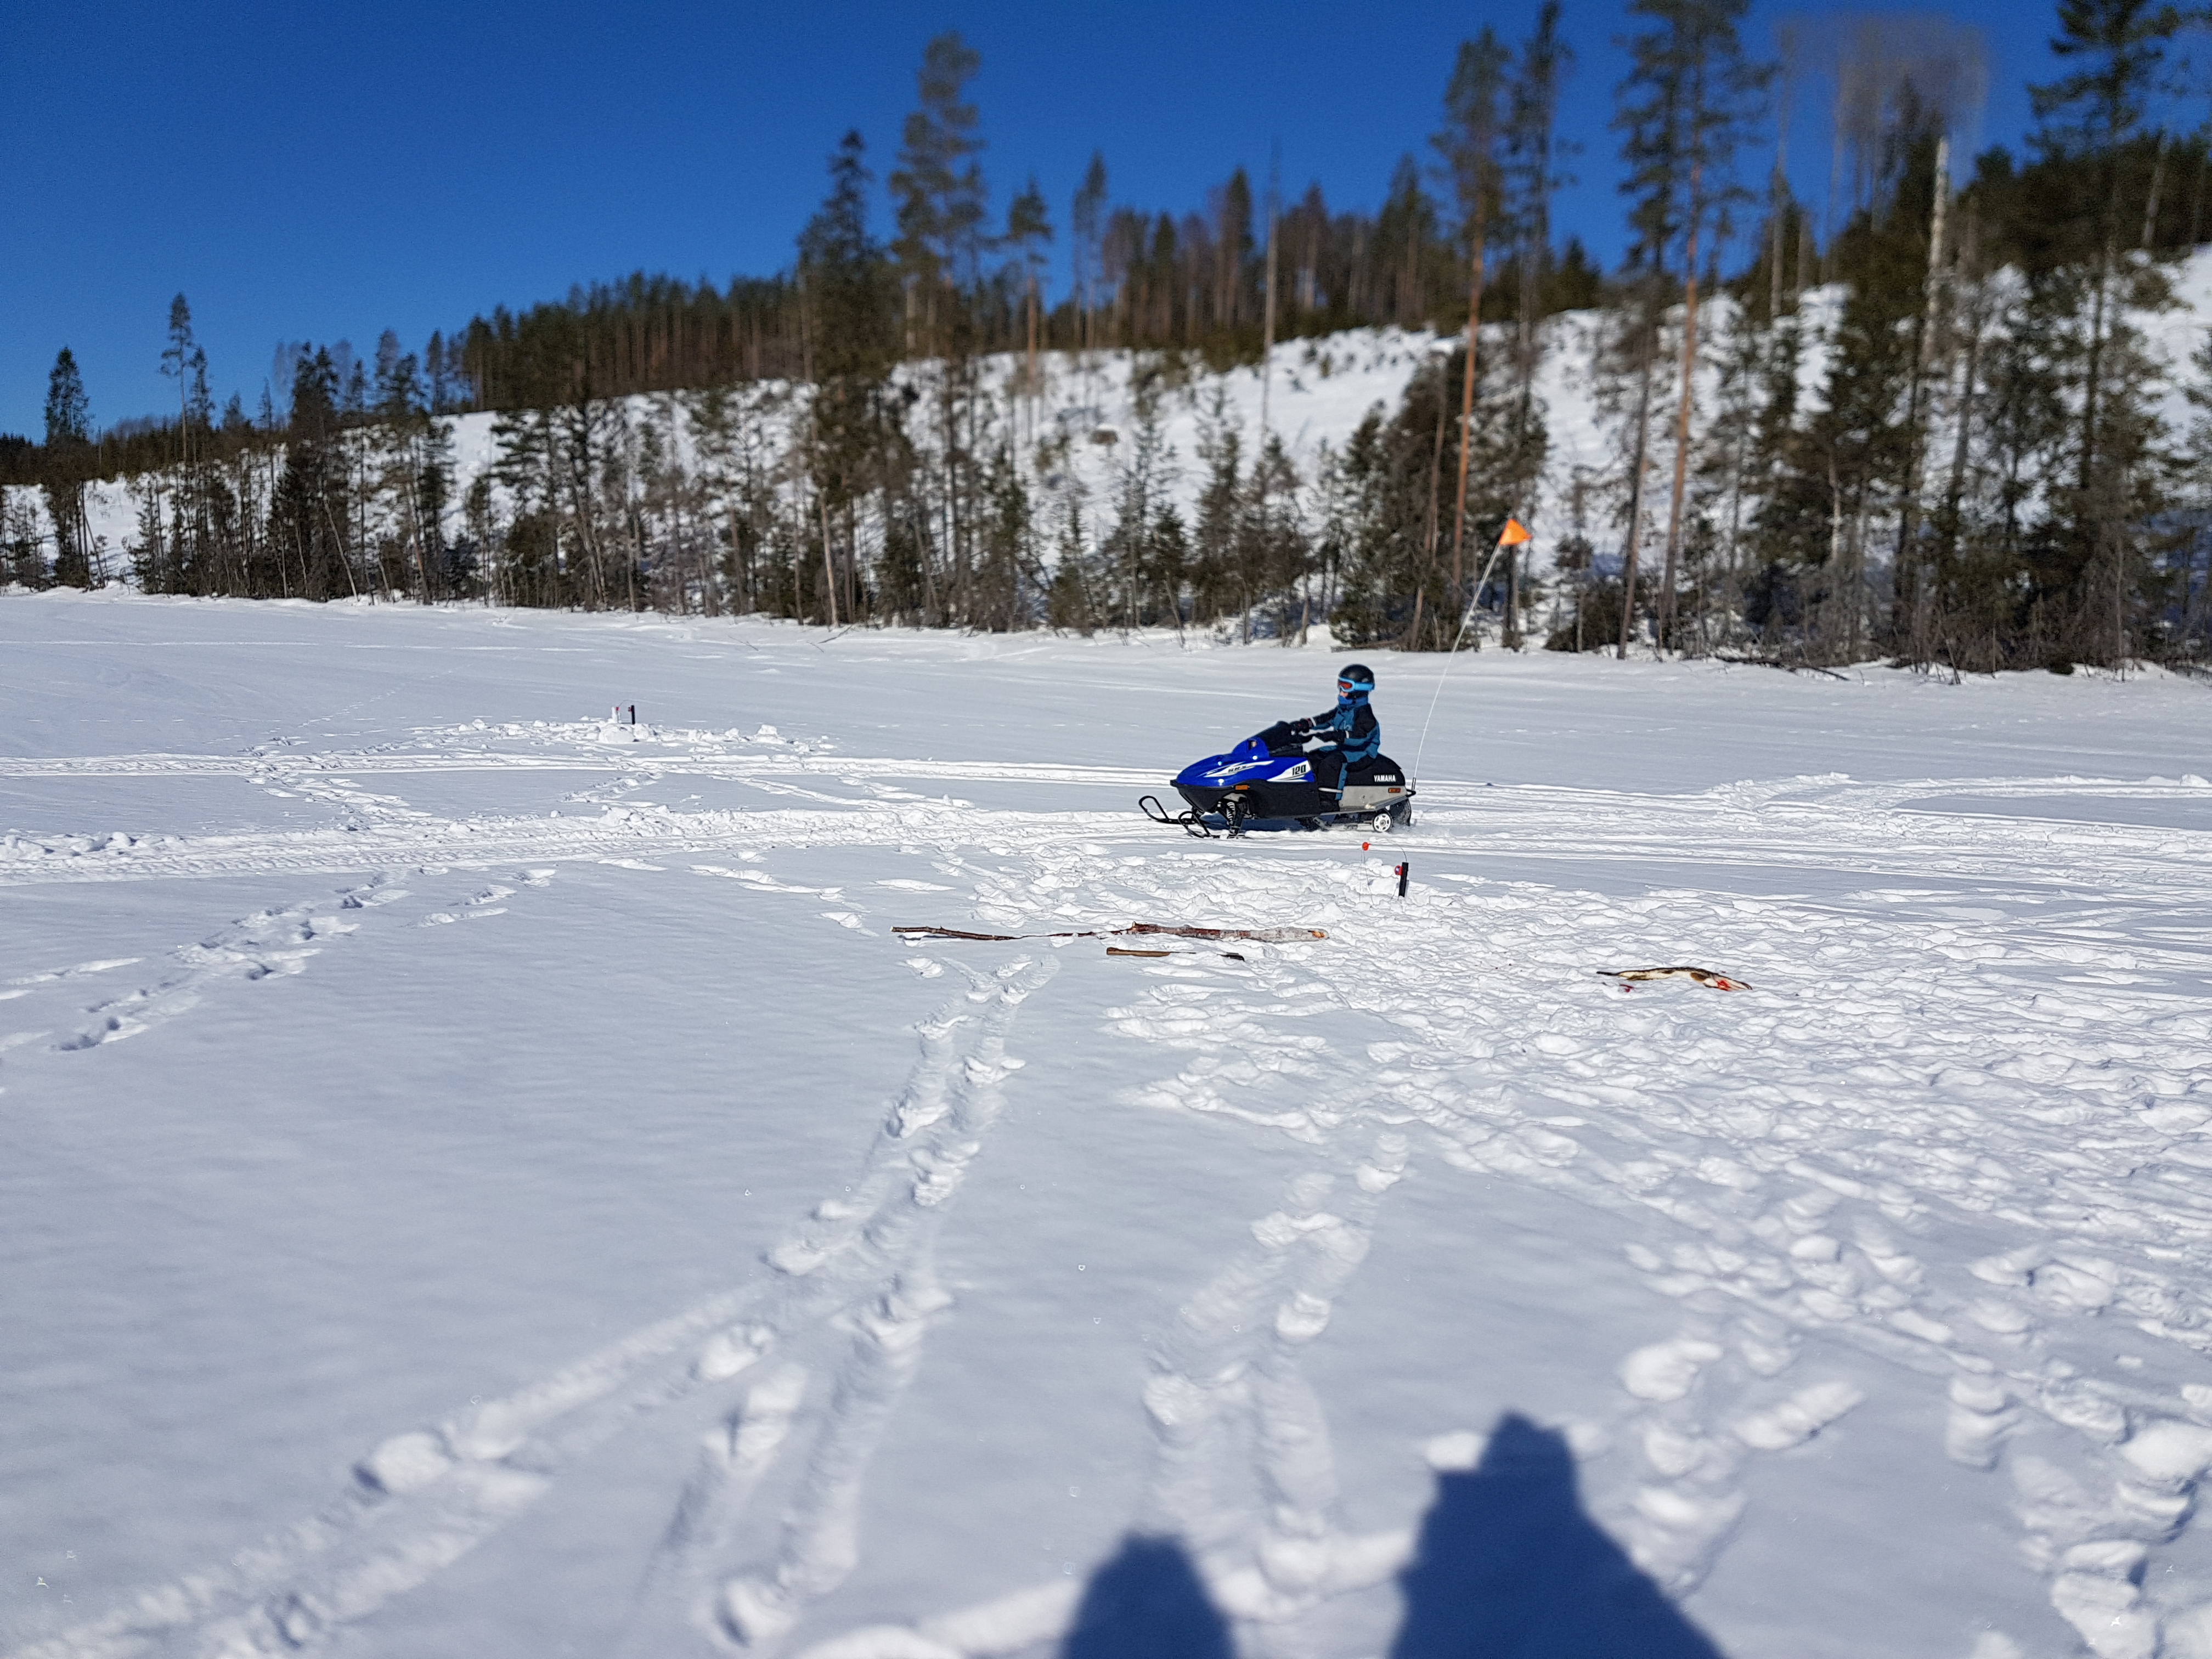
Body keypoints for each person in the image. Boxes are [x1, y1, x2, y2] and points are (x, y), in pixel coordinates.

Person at [1290, 663, 1380, 801]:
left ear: (1359, 691)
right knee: (1313, 757)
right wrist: (1305, 724)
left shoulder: (1365, 715)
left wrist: (1336, 735)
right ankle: (1308, 793)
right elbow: (1326, 719)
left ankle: (1330, 800)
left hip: (1363, 753)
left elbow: (1360, 737)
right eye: (1340, 685)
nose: (1341, 692)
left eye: (1346, 687)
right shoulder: (1343, 710)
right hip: (1344, 748)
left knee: (1332, 763)